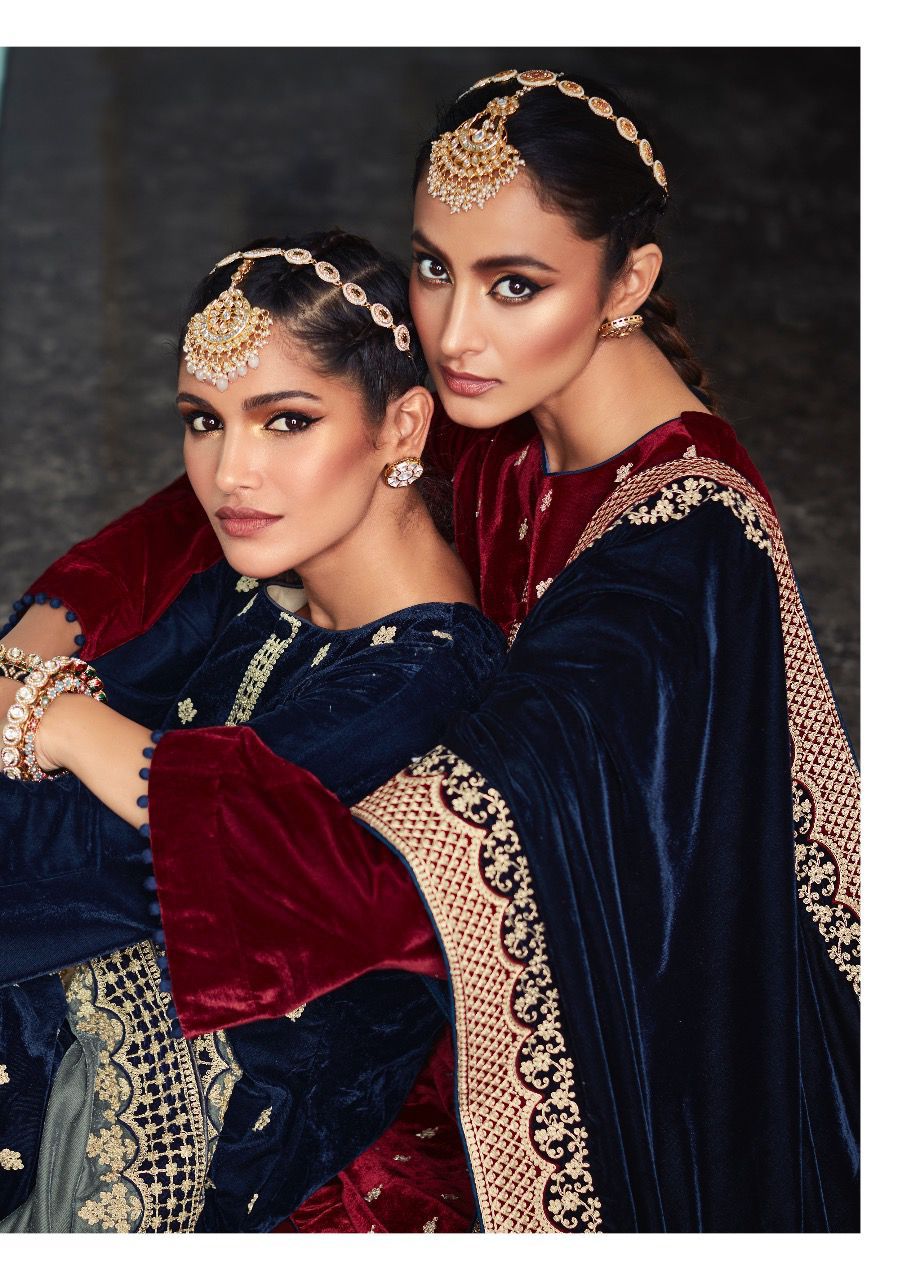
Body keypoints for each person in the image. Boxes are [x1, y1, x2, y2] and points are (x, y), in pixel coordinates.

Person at [1, 69, 859, 1232]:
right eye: (433, 266)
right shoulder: (506, 393)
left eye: (515, 284)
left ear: (629, 280)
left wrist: (59, 723)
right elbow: (200, 510)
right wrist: (35, 643)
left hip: (560, 1041)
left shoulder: (676, 555)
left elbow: (382, 888)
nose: (454, 332)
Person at [0, 230, 504, 1232]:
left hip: (240, 1075)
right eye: (204, 420)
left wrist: (53, 718)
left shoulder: (429, 673)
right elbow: (82, 719)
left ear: (402, 425)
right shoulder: (257, 589)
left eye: (286, 421)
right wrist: (50, 716)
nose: (232, 470)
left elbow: (186, 834)